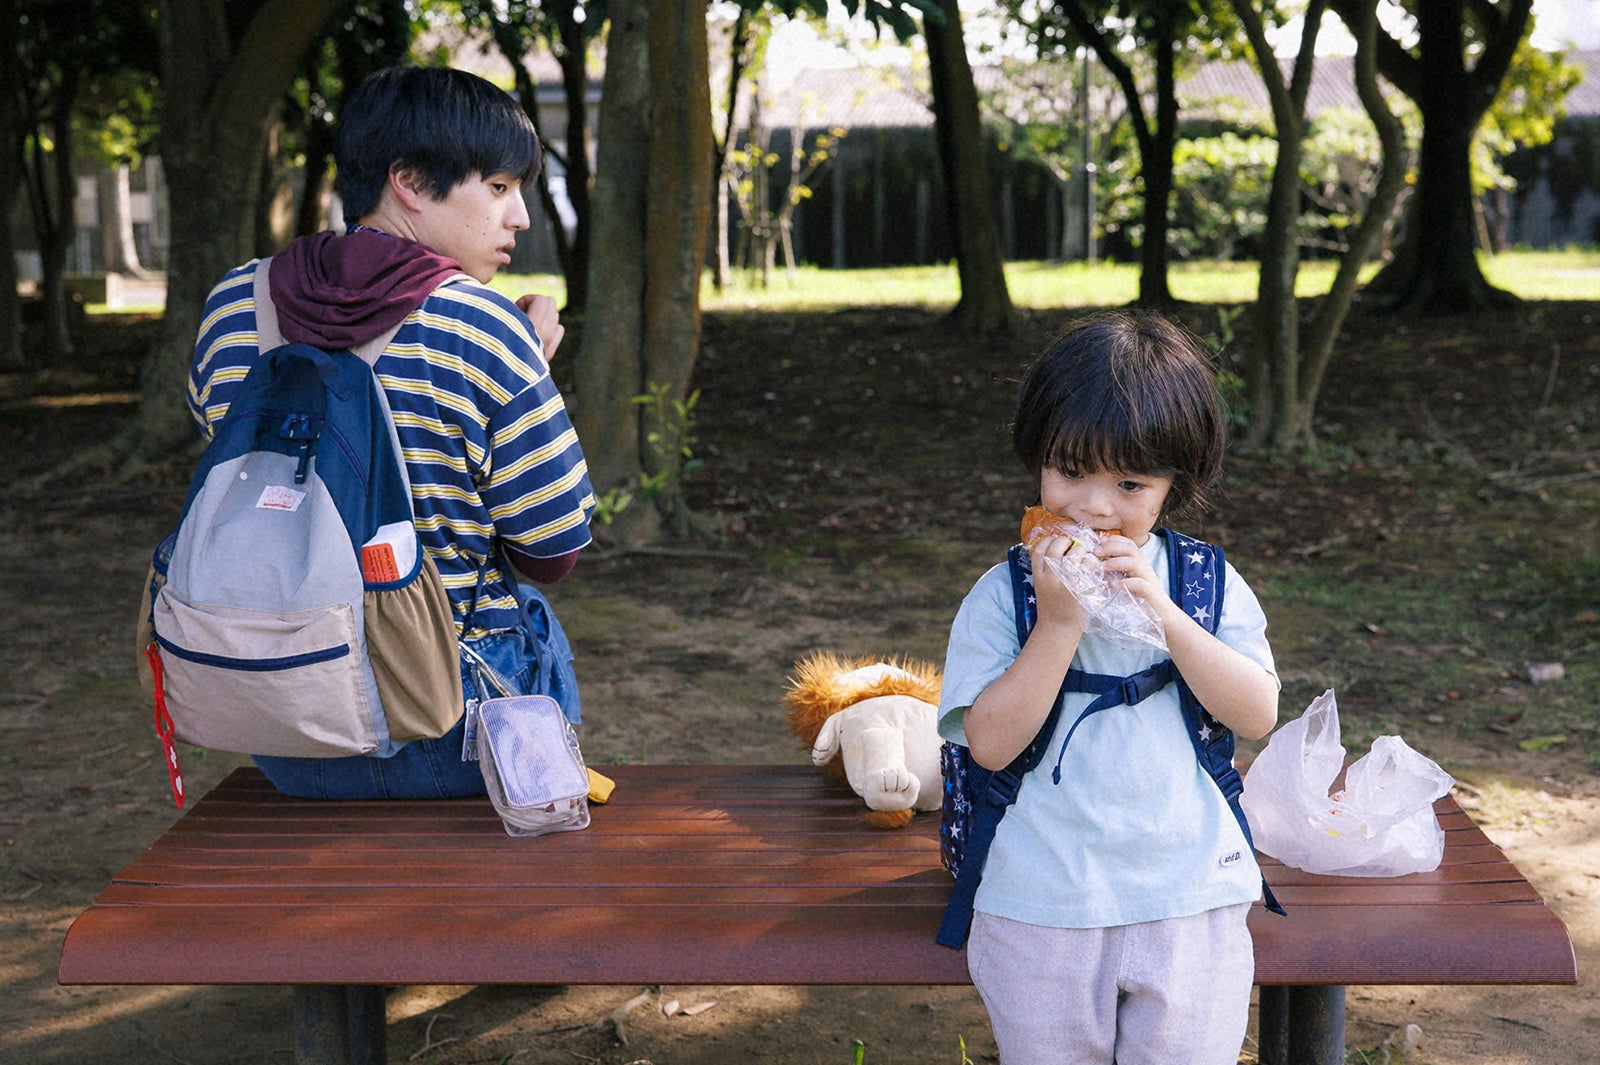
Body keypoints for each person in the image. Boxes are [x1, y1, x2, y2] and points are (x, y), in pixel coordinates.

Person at [187, 65, 595, 799]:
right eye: (498, 187)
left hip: (285, 719)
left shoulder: (233, 307)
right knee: (529, 612)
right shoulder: (482, 327)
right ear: (407, 181)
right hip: (453, 730)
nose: (520, 217)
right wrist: (524, 368)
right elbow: (551, 551)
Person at [937, 310, 1279, 1065]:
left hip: (1191, 894)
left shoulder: (1203, 585)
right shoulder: (1003, 596)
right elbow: (989, 744)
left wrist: (1165, 616)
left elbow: (1256, 712)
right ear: (1037, 461)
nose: (1094, 507)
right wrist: (1058, 623)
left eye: (1129, 483)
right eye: (1070, 472)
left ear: (1172, 485)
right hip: (1039, 900)